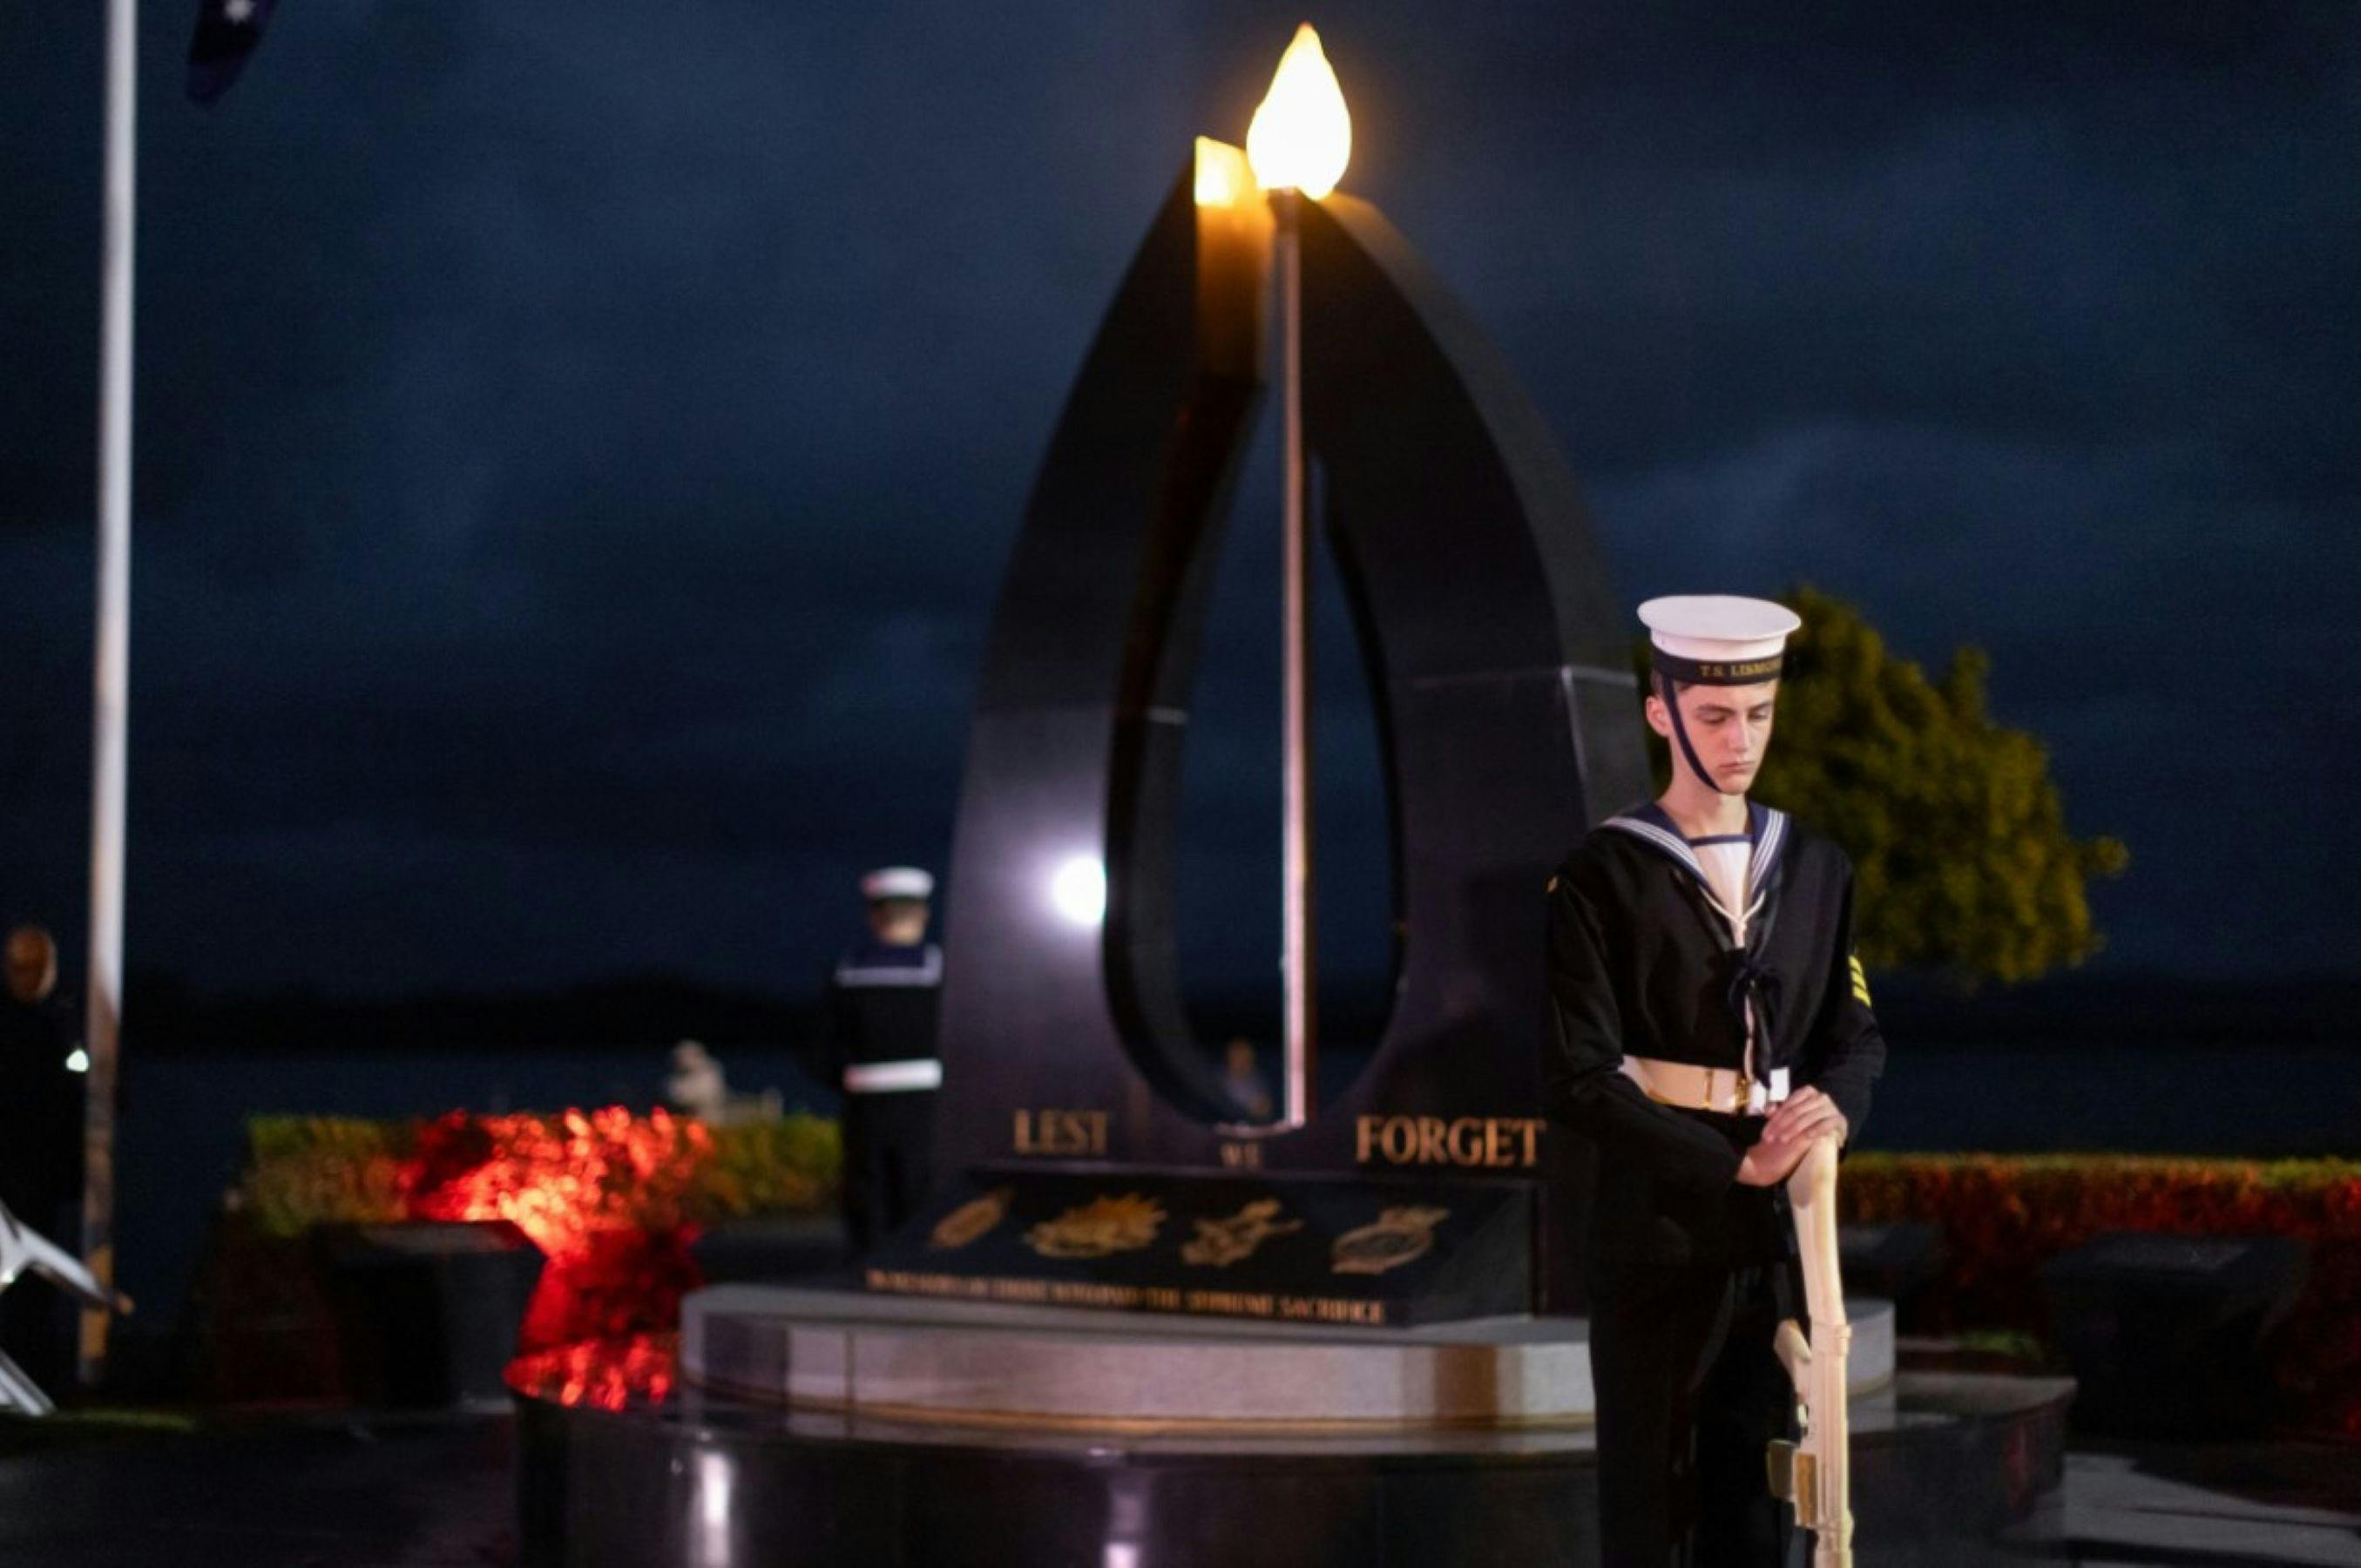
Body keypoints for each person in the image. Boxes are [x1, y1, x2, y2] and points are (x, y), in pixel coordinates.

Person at [1543, 595, 1887, 1565]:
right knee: (1649, 1493)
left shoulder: (1817, 865)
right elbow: (1574, 1076)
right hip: (1655, 1214)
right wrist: (1719, 1162)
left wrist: (1834, 1110)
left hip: (1776, 1216)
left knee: (1759, 1490)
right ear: (1661, 713)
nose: (1741, 741)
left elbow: (1854, 1038)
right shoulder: (1601, 874)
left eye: (1759, 714)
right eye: (1714, 716)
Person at [810, 867, 944, 1254]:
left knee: (867, 1199)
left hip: (864, 1106)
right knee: (920, 1197)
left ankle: (867, 1280)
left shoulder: (847, 972)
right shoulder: (939, 970)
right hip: (925, 1106)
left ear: (875, 915)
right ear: (922, 914)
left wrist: (846, 1078)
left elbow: (818, 1050)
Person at [0, 924, 87, 1396]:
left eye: (34, 968)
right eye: (18, 967)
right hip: (13, 1176)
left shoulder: (69, 1018)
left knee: (39, 1282)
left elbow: (100, 1092)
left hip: (46, 1175)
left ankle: (36, 1379)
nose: (26, 978)